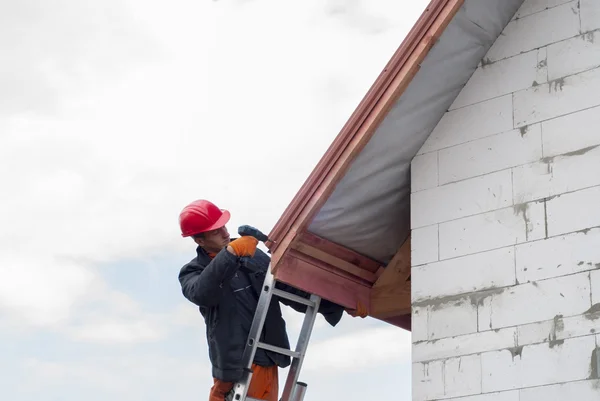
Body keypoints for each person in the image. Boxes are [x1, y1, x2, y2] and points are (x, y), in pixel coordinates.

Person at [177, 199, 367, 401]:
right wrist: (231, 254)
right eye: (216, 231)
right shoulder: (192, 271)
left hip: (267, 356)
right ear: (200, 241)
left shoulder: (252, 255)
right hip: (234, 365)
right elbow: (203, 294)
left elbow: (289, 290)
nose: (225, 233)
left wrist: (340, 303)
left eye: (223, 226)